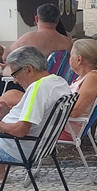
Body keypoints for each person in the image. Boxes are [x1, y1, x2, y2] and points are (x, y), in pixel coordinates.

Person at [0, 46, 72, 180]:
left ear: (29, 69)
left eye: (15, 74)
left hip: (19, 148)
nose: (15, 80)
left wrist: (1, 125)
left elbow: (21, 130)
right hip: (42, 146)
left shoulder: (37, 89)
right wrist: (7, 114)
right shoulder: (60, 82)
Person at [1, 3, 73, 64]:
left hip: (35, 78)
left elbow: (5, 56)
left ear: (36, 19)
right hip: (60, 77)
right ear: (57, 21)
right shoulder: (67, 41)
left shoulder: (29, 38)